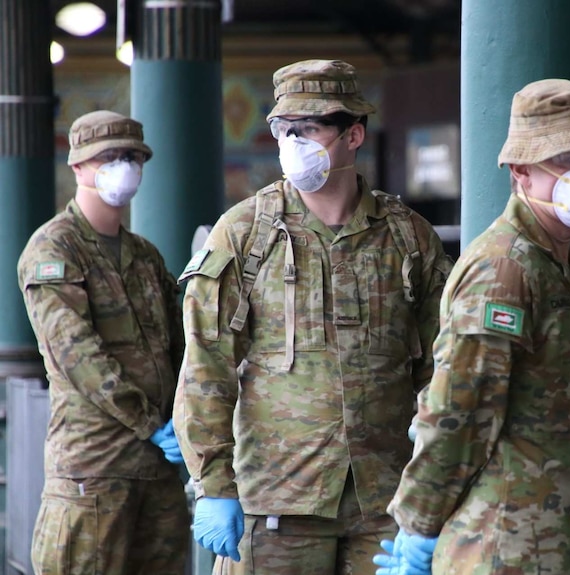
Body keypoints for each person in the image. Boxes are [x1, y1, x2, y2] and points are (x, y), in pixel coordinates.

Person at [173, 59, 452, 575]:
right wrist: (213, 485)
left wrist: (435, 489)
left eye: (309, 129)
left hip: (385, 502)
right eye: (283, 130)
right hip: (278, 499)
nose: (293, 142)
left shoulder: (408, 237)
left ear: (354, 134)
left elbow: (440, 370)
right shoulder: (244, 233)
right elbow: (206, 365)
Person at [376, 79, 570, 575]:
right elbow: (459, 409)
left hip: (552, 535)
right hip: (507, 544)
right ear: (520, 173)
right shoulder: (505, 268)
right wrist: (419, 526)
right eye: (569, 160)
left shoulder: (550, 259)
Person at [18, 110, 189, 574]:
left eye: (133, 156)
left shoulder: (145, 255)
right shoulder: (54, 248)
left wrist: (182, 419)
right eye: (109, 157)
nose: (124, 167)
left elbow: (179, 345)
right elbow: (76, 352)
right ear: (78, 166)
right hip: (93, 470)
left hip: (156, 470)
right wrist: (148, 421)